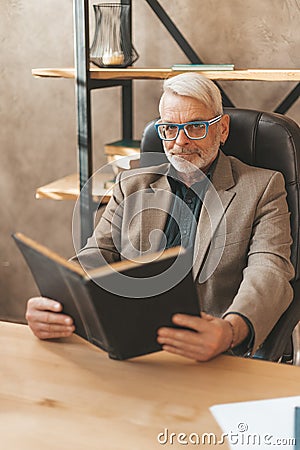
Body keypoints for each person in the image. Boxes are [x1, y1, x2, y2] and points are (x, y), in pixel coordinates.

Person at [26, 72, 294, 361]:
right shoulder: (132, 185)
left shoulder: (262, 187)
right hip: (134, 347)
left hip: (215, 351)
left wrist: (230, 330)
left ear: (223, 129)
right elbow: (96, 255)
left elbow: (269, 271)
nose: (180, 142)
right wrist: (57, 302)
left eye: (196, 127)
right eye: (169, 128)